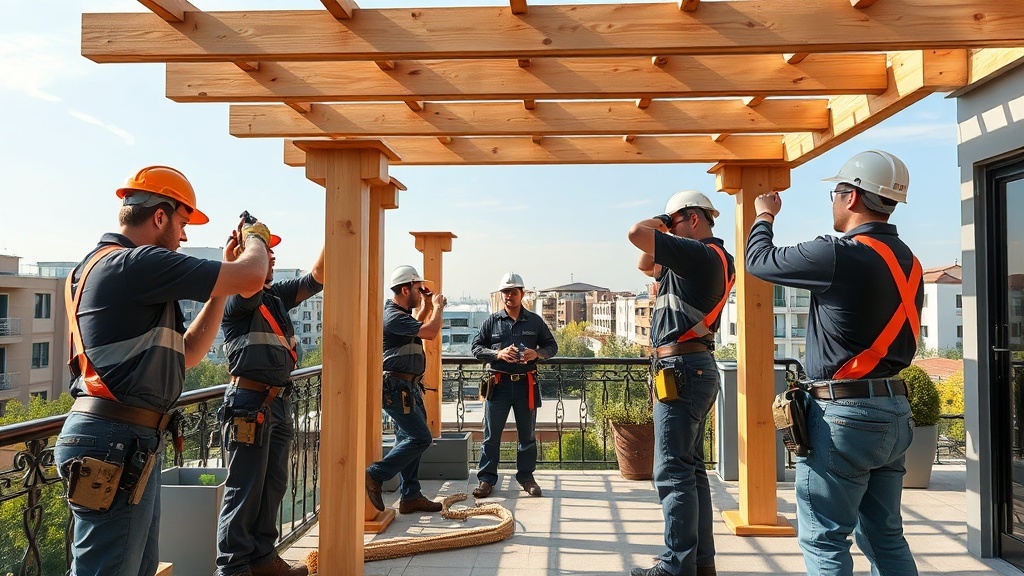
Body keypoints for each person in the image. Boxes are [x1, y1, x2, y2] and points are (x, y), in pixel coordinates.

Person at [54, 165, 270, 576]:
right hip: (117, 438)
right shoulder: (136, 264)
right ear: (159, 216)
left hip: (122, 436)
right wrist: (255, 239)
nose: (185, 237)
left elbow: (186, 353)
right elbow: (253, 276)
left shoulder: (101, 266)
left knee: (134, 567)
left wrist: (219, 288)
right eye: (183, 223)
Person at [745, 150, 921, 576]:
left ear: (852, 197)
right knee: (885, 536)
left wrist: (763, 216)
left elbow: (759, 262)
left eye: (835, 193)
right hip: (894, 410)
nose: (833, 203)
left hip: (845, 417)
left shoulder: (838, 254)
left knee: (824, 539)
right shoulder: (909, 262)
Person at [626, 190, 735, 576]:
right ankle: (700, 563)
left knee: (671, 471)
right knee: (691, 470)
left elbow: (635, 233)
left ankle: (676, 567)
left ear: (692, 219)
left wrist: (660, 220)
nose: (669, 230)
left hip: (683, 370)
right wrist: (668, 228)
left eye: (675, 222)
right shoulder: (705, 259)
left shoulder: (701, 254)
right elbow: (644, 262)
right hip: (694, 367)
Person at [215, 226, 325, 576]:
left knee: (274, 484)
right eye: (263, 252)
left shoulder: (275, 298)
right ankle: (232, 568)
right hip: (248, 402)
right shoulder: (238, 297)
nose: (271, 257)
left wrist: (337, 231)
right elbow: (248, 282)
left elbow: (317, 278)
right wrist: (245, 258)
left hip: (276, 403)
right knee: (244, 487)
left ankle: (262, 559)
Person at [365, 265, 447, 514]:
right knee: (420, 438)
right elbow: (430, 332)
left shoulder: (401, 315)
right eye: (416, 288)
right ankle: (376, 474)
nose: (420, 291)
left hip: (407, 386)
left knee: (406, 438)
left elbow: (418, 323)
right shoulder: (393, 317)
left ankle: (410, 496)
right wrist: (439, 307)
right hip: (396, 386)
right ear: (404, 289)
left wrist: (425, 304)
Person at [470, 272, 558, 499]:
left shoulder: (535, 321)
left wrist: (535, 354)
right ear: (502, 295)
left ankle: (526, 478)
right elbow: (476, 348)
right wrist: (498, 353)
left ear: (522, 293)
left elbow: (552, 347)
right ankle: (486, 479)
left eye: (513, 291)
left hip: (525, 386)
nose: (509, 295)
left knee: (527, 435)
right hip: (497, 386)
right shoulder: (492, 321)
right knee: (491, 435)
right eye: (506, 292)